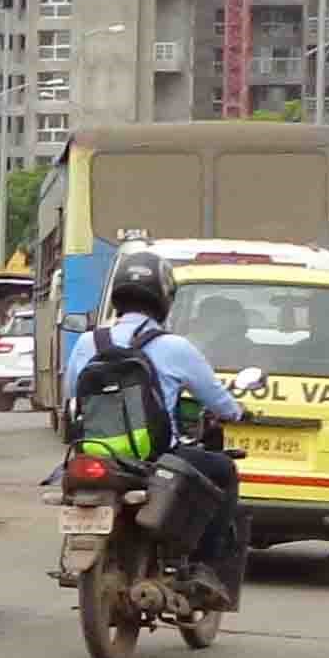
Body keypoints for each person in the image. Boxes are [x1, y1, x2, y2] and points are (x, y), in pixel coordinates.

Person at [64, 246, 247, 599]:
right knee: (224, 470)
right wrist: (236, 413)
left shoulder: (89, 342)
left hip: (94, 453)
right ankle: (205, 565)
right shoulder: (175, 347)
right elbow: (219, 402)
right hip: (156, 457)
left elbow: (71, 392)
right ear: (165, 298)